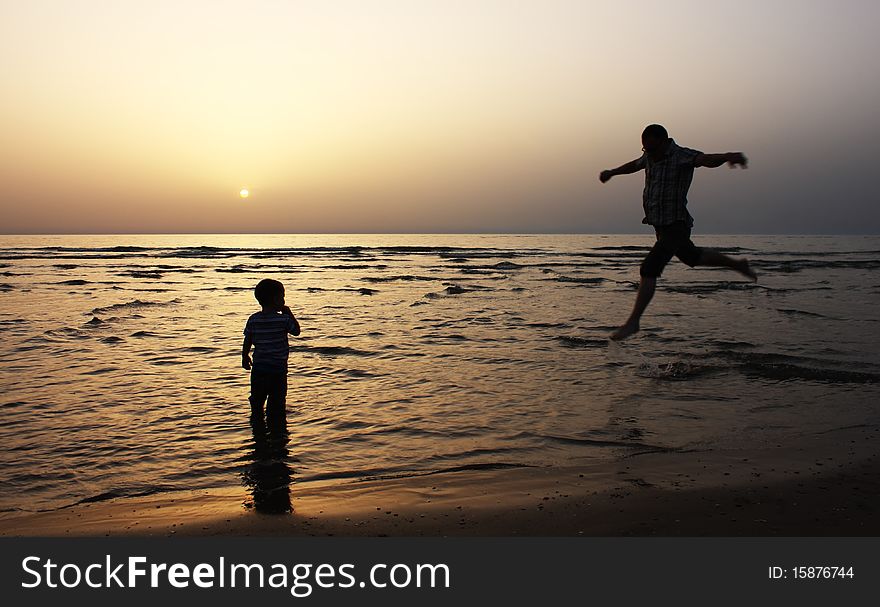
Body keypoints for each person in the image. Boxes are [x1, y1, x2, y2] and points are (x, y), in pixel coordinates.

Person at [599, 124, 757, 341]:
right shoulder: (649, 157)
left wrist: (727, 156)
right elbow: (634, 165)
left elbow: (705, 159)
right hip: (661, 227)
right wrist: (612, 172)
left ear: (664, 142)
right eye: (645, 149)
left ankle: (633, 322)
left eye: (652, 149)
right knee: (692, 257)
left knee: (649, 268)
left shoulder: (681, 156)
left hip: (676, 224)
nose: (648, 154)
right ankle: (737, 264)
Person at [242, 278, 301, 422]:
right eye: (282, 297)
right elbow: (296, 331)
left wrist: (244, 356)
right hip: (278, 369)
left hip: (259, 368)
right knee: (277, 399)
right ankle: (276, 426)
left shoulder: (253, 319)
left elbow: (248, 339)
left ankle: (256, 417)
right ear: (276, 299)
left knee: (258, 396)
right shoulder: (283, 320)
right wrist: (289, 312)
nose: (284, 300)